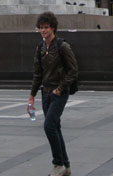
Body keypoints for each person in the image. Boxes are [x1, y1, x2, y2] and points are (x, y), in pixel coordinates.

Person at [28, 12, 78, 176]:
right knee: (55, 127)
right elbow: (37, 73)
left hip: (59, 93)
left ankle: (58, 164)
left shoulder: (62, 46)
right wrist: (32, 95)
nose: (43, 30)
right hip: (46, 92)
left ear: (53, 28)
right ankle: (66, 166)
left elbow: (73, 70)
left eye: (46, 27)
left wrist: (60, 88)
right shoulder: (40, 47)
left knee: (49, 125)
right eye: (41, 28)